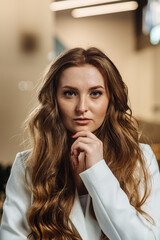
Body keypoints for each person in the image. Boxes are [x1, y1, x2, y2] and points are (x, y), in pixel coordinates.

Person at [0, 47, 160, 240]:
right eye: (69, 93)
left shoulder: (141, 158)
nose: (82, 107)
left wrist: (98, 171)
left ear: (111, 99)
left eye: (95, 93)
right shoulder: (28, 165)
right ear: (53, 100)